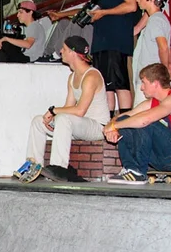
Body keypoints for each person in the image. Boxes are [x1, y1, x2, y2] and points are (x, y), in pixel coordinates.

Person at [48, 0, 138, 117]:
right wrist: (62, 15)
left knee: (119, 83)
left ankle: (125, 121)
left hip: (115, 39)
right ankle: (109, 120)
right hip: (101, 40)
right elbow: (90, 9)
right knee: (107, 86)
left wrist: (104, 13)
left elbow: (131, 5)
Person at [16, 36, 110, 183]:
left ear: (73, 53)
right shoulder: (72, 77)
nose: (60, 51)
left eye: (64, 49)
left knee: (62, 118)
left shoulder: (91, 76)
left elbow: (80, 111)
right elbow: (68, 107)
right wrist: (52, 118)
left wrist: (54, 111)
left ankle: (58, 168)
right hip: (78, 125)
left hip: (97, 127)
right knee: (38, 121)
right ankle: (33, 165)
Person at [103, 63, 171, 184]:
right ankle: (130, 169)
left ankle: (138, 171)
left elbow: (145, 119)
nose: (141, 88)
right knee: (125, 121)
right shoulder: (152, 102)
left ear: (155, 83)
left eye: (144, 83)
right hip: (162, 158)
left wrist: (115, 126)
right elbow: (126, 116)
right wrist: (111, 126)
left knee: (146, 121)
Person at [131, 0, 171, 104]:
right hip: (150, 80)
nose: (137, 0)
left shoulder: (156, 20)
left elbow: (163, 47)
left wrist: (166, 68)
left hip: (150, 81)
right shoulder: (154, 19)